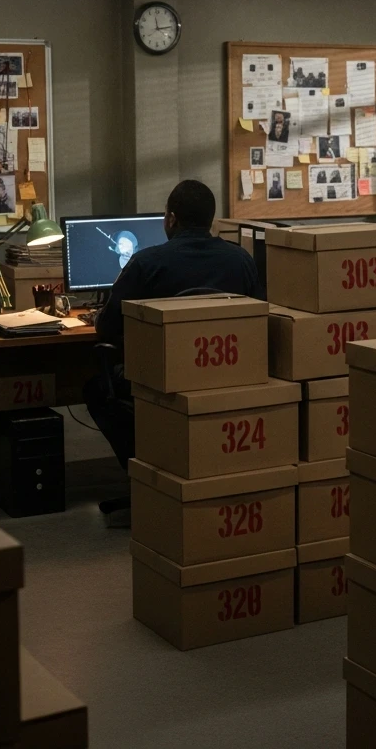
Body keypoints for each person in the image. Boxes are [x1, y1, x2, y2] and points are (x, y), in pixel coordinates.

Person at [84, 179, 261, 526]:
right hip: (229, 378)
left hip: (163, 382)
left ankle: (150, 473)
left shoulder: (146, 263)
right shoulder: (242, 260)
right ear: (211, 220)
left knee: (96, 389)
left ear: (171, 219)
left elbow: (106, 327)